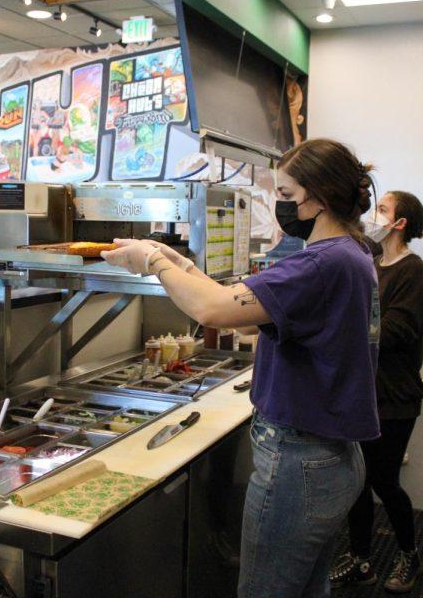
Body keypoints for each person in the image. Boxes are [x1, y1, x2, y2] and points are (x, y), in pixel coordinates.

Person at [102, 138, 380, 597]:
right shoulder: (350, 254)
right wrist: (181, 265)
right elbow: (236, 303)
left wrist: (152, 261)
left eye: (287, 195)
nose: (280, 206)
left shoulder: (320, 264)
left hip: (299, 461)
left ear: (321, 196)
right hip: (330, 458)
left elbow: (211, 312)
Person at [330, 190, 423, 593]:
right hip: (363, 393)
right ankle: (361, 559)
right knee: (357, 481)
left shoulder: (412, 270)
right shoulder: (370, 262)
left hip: (395, 396)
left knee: (385, 481)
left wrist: (345, 330)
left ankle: (409, 556)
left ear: (400, 223)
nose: (374, 215)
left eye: (383, 210)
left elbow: (398, 330)